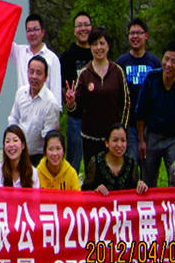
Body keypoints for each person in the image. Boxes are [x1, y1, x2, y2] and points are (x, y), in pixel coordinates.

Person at [65, 25, 130, 169]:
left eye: (102, 43)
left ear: (108, 45)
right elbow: (76, 109)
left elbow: (126, 104)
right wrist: (71, 103)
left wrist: (122, 131)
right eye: (94, 44)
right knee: (92, 176)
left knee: (113, 174)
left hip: (113, 139)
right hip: (90, 138)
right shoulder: (84, 73)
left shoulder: (117, 71)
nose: (98, 48)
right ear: (90, 47)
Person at [136, 40, 175, 188]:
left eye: (174, 61)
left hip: (173, 138)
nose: (168, 64)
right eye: (166, 59)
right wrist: (142, 140)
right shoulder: (151, 79)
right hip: (152, 135)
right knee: (147, 181)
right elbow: (140, 111)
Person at [116, 18, 161, 163]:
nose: (135, 36)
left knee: (149, 163)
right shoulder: (121, 63)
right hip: (129, 123)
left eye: (139, 33)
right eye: (132, 33)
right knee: (131, 162)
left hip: (150, 125)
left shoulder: (154, 62)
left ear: (146, 35)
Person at [7, 55, 61, 166]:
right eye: (31, 72)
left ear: (46, 77)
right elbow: (13, 119)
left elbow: (48, 137)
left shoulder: (51, 103)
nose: (34, 77)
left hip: (38, 157)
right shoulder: (21, 93)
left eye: (39, 73)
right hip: (18, 153)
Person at [60, 12, 92, 173]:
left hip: (95, 117)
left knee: (96, 163)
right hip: (75, 118)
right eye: (79, 25)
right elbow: (62, 87)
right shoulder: (67, 56)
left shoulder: (97, 53)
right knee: (73, 163)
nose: (83, 28)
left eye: (86, 25)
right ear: (74, 30)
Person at [8, 12, 62, 105]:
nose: (32, 34)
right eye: (29, 30)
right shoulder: (19, 52)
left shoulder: (52, 59)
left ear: (43, 32)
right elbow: (3, 38)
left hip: (43, 109)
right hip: (23, 108)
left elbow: (56, 94)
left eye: (35, 30)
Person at [82, 123, 149, 195]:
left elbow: (136, 190)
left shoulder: (131, 164)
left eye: (123, 140)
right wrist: (95, 191)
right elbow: (85, 192)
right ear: (107, 143)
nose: (119, 145)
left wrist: (141, 186)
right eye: (115, 140)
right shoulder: (96, 162)